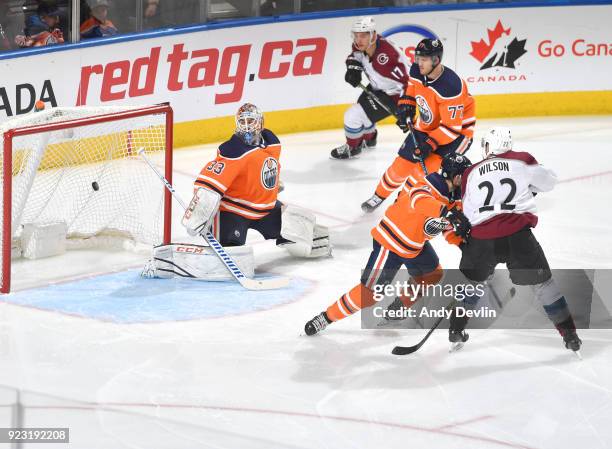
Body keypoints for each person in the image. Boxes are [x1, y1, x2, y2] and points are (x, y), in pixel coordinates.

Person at [142, 104, 332, 281]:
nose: (247, 126)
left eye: (251, 121)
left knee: (303, 229)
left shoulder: (272, 143)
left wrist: (269, 186)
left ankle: (295, 244)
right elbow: (209, 185)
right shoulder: (232, 150)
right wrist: (198, 214)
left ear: (261, 122)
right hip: (233, 212)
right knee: (236, 261)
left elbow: (262, 169)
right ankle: (168, 264)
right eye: (242, 122)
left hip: (264, 210)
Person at [448, 127, 582, 353]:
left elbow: (469, 212)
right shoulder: (522, 159)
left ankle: (456, 328)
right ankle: (569, 334)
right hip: (517, 236)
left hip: (482, 239)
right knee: (543, 284)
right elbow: (549, 182)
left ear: (489, 146)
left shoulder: (471, 171)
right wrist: (529, 187)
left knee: (472, 284)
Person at [304, 155, 471, 335]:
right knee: (369, 295)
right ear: (455, 176)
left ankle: (397, 308)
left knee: (432, 274)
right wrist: (446, 213)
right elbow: (419, 199)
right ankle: (326, 317)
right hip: (390, 242)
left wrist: (463, 245)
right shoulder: (428, 184)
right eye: (465, 175)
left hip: (413, 246)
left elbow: (448, 227)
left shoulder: (454, 199)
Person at [361, 38, 475, 212]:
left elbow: (452, 129)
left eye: (424, 59)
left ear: (436, 60)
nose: (419, 63)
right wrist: (406, 106)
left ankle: (401, 206)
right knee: (399, 168)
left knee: (421, 176)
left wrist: (429, 145)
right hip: (427, 127)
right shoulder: (416, 70)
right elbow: (412, 90)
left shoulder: (451, 87)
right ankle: (378, 196)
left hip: (456, 136)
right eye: (418, 58)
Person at [330, 16, 410, 160]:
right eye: (356, 36)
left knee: (352, 115)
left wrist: (406, 109)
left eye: (363, 36)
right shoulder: (361, 46)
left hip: (394, 96)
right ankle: (370, 138)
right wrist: (353, 68)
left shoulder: (386, 57)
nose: (358, 40)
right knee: (363, 111)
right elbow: (355, 56)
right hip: (377, 87)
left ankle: (353, 148)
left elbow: (409, 82)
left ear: (372, 35)